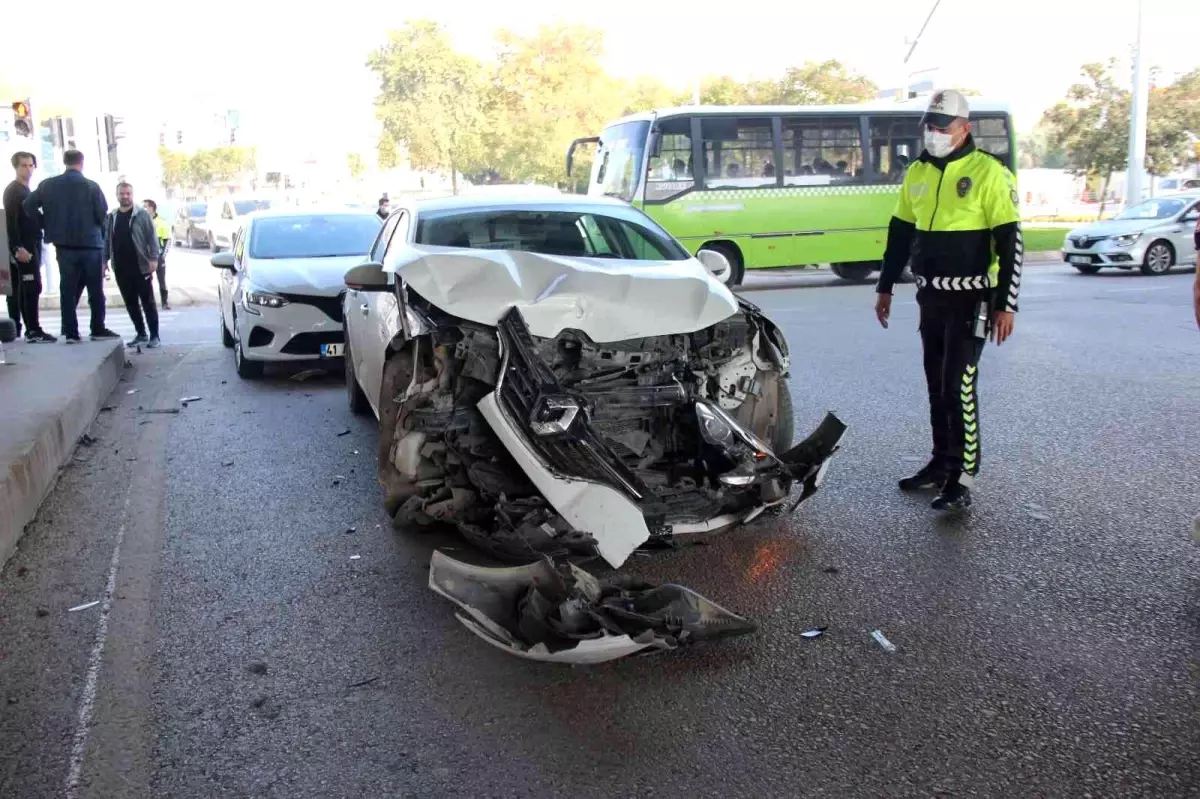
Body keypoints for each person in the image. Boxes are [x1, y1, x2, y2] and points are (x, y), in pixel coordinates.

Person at [873, 89, 1023, 512]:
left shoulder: (989, 173)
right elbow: (900, 234)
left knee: (959, 384)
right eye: (930, 125)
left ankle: (963, 474)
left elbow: (1011, 243)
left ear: (964, 128)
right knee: (937, 384)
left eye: (943, 127)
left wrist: (1006, 304)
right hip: (931, 296)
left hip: (973, 297)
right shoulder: (917, 172)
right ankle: (941, 463)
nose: (935, 133)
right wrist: (885, 286)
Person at [23, 149, 118, 343]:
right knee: (95, 290)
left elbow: (28, 205)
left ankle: (71, 332)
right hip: (91, 245)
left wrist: (45, 223)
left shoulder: (48, 185)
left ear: (64, 162)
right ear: (81, 163)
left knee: (67, 289)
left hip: (64, 246)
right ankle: (97, 328)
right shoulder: (91, 187)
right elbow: (102, 216)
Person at [4, 152, 56, 342]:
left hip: (33, 244)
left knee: (31, 287)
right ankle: (32, 329)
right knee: (29, 286)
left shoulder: (26, 191)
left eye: (30, 165)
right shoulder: (14, 191)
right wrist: (17, 248)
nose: (28, 169)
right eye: (23, 165)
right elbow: (10, 222)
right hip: (24, 248)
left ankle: (31, 328)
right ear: (16, 167)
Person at [104, 182, 160, 348]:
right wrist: (104, 261)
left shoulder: (142, 215)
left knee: (147, 302)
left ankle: (154, 336)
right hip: (121, 267)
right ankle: (141, 333)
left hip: (141, 266)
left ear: (132, 195)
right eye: (122, 194)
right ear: (117, 195)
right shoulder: (112, 216)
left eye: (128, 193)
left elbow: (152, 238)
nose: (125, 196)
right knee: (130, 303)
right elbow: (107, 240)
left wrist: (153, 259)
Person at [143, 199, 171, 309]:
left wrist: (162, 256)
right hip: (145, 258)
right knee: (145, 281)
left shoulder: (161, 222)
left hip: (158, 257)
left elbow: (167, 240)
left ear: (152, 208)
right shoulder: (142, 221)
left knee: (161, 280)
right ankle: (149, 303)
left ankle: (164, 302)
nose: (144, 209)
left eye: (146, 207)